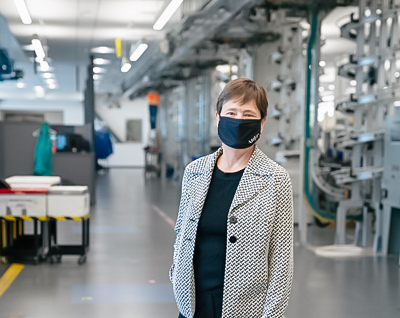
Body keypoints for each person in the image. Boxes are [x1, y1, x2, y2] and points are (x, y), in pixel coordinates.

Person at [169, 78, 294, 318]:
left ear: (262, 123)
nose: (238, 121)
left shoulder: (275, 179)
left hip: (246, 308)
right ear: (218, 117)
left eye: (248, 115)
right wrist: (177, 276)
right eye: (231, 112)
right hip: (193, 304)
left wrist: (273, 315)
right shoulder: (194, 172)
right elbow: (181, 234)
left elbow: (281, 259)